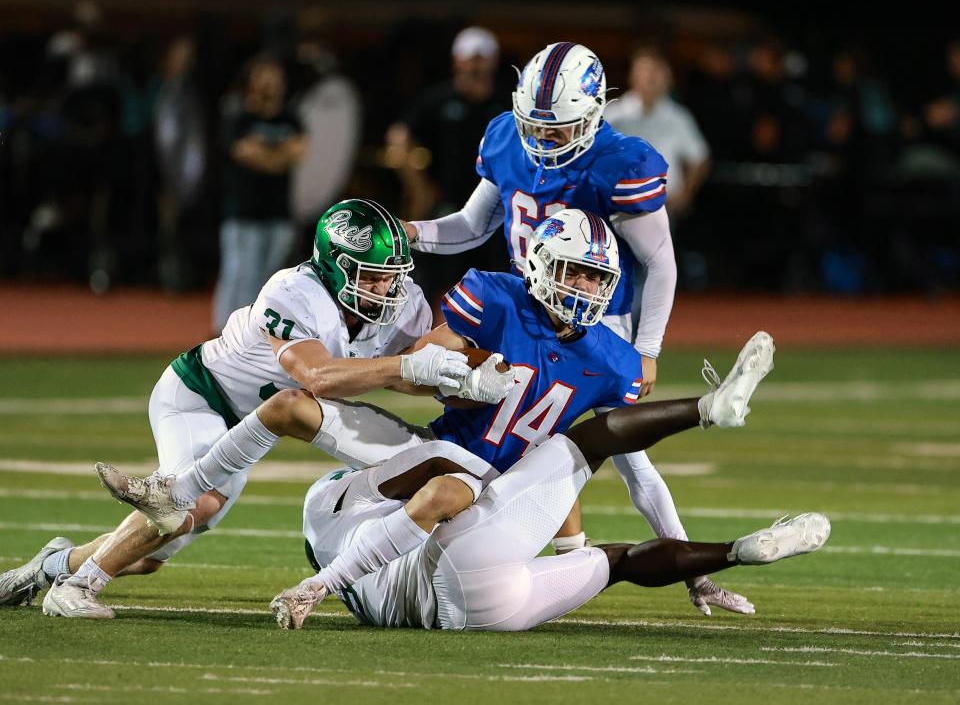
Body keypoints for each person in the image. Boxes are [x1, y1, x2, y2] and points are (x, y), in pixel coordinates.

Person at [95, 209, 756, 617]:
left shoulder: (610, 358)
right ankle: (176, 496)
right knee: (294, 415)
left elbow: (616, 456)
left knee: (159, 550)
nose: (583, 289)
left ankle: (63, 566)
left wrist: (686, 565)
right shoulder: (493, 298)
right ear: (540, 264)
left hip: (502, 492)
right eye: (573, 272)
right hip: (430, 458)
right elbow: (418, 372)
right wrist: (458, 376)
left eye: (594, 278)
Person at [0, 199, 493, 618]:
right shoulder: (292, 292)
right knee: (187, 507)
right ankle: (77, 587)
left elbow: (405, 371)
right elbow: (318, 377)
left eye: (393, 276)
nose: (389, 289)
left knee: (152, 555)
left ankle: (46, 567)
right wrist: (410, 370)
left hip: (251, 425)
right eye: (375, 277)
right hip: (200, 396)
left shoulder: (402, 300)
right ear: (337, 266)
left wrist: (461, 377)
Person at [400, 42, 696, 589]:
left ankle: (682, 565)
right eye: (532, 125)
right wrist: (413, 233)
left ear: (591, 115)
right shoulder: (507, 138)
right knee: (513, 436)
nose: (540, 139)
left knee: (621, 453)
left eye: (555, 128)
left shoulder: (619, 163)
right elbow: (472, 226)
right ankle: (549, 556)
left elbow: (662, 262)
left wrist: (648, 348)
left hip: (595, 323)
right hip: (524, 308)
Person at [270, 327, 800, 631]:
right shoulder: (329, 504)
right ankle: (708, 410)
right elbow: (437, 475)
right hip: (457, 561)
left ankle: (736, 551)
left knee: (615, 563)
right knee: (582, 445)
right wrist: (322, 584)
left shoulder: (361, 589)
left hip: (485, 613)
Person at [385, 26, 510, 311]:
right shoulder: (439, 99)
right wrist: (420, 188)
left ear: (494, 61)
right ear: (457, 60)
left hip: (495, 209)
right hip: (448, 204)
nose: (476, 65)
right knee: (441, 284)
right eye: (471, 58)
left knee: (496, 283)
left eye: (482, 58)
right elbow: (398, 136)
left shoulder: (506, 102)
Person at [212, 53, 307, 334]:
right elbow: (244, 153)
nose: (270, 83)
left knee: (272, 280)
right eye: (263, 75)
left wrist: (266, 155)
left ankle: (257, 335)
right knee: (239, 276)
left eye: (275, 76)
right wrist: (278, 157)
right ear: (252, 82)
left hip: (279, 213)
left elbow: (299, 152)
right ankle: (226, 335)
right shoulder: (238, 116)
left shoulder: (292, 117)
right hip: (243, 212)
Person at [604, 46, 711, 221]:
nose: (651, 78)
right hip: (620, 206)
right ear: (632, 75)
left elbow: (700, 158)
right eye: (645, 71)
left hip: (664, 208)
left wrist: (686, 194)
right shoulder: (612, 115)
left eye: (657, 71)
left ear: (667, 77)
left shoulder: (678, 117)